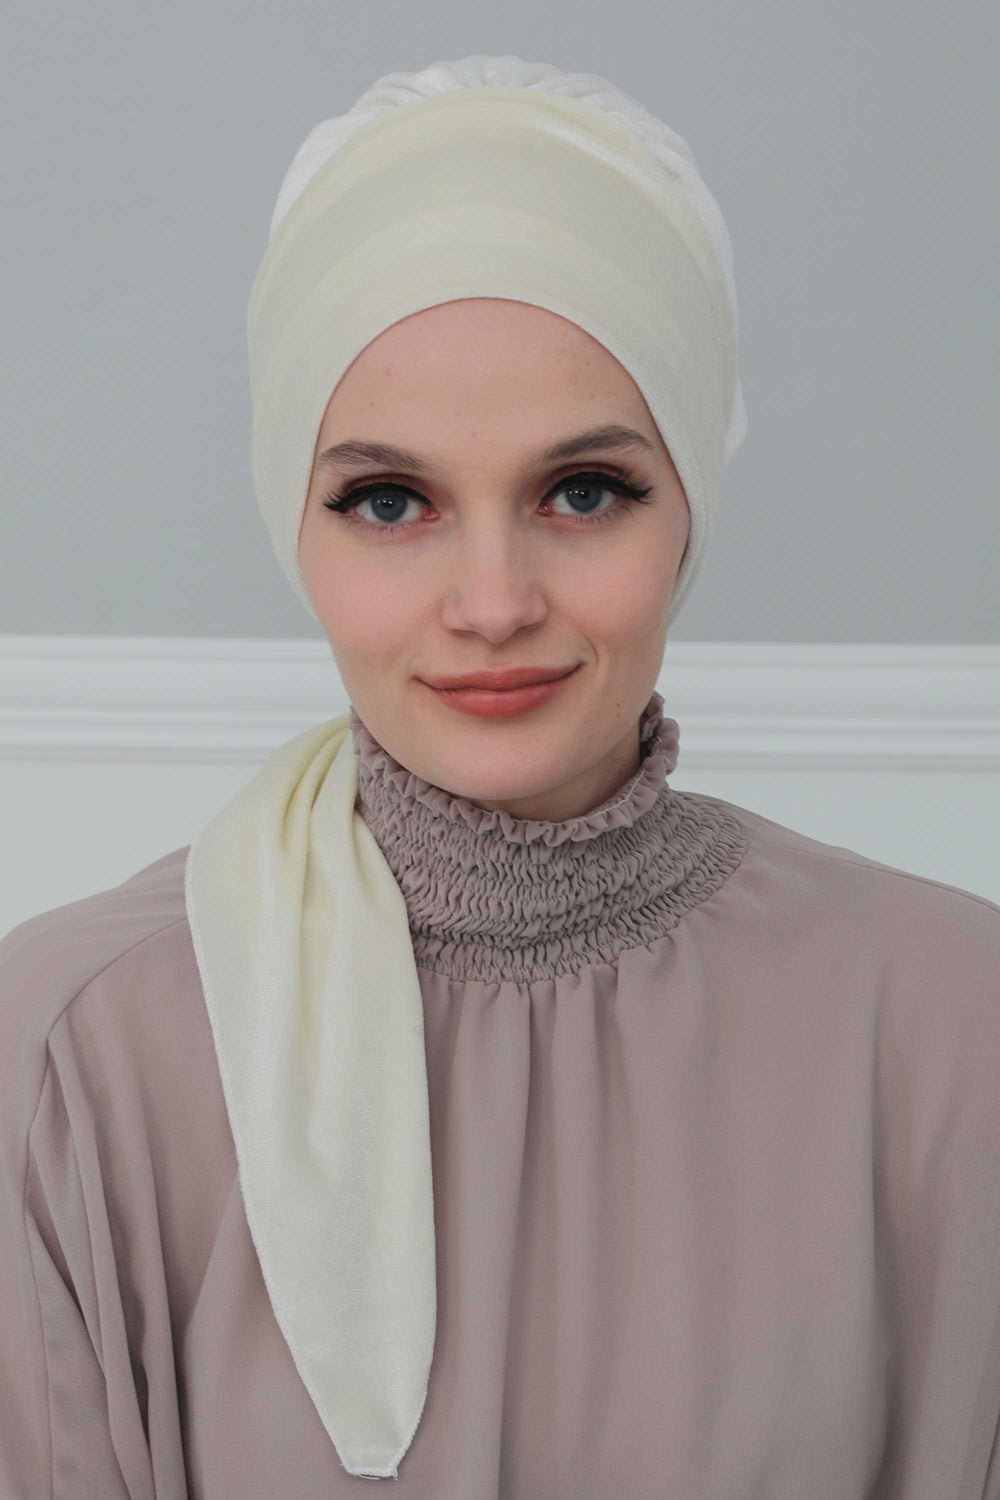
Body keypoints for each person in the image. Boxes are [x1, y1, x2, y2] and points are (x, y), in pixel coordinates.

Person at [2, 53, 1000, 1500]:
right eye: (389, 501)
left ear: (690, 509)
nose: (492, 602)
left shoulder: (958, 1025)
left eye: (583, 491)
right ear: (297, 530)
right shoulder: (69, 1060)